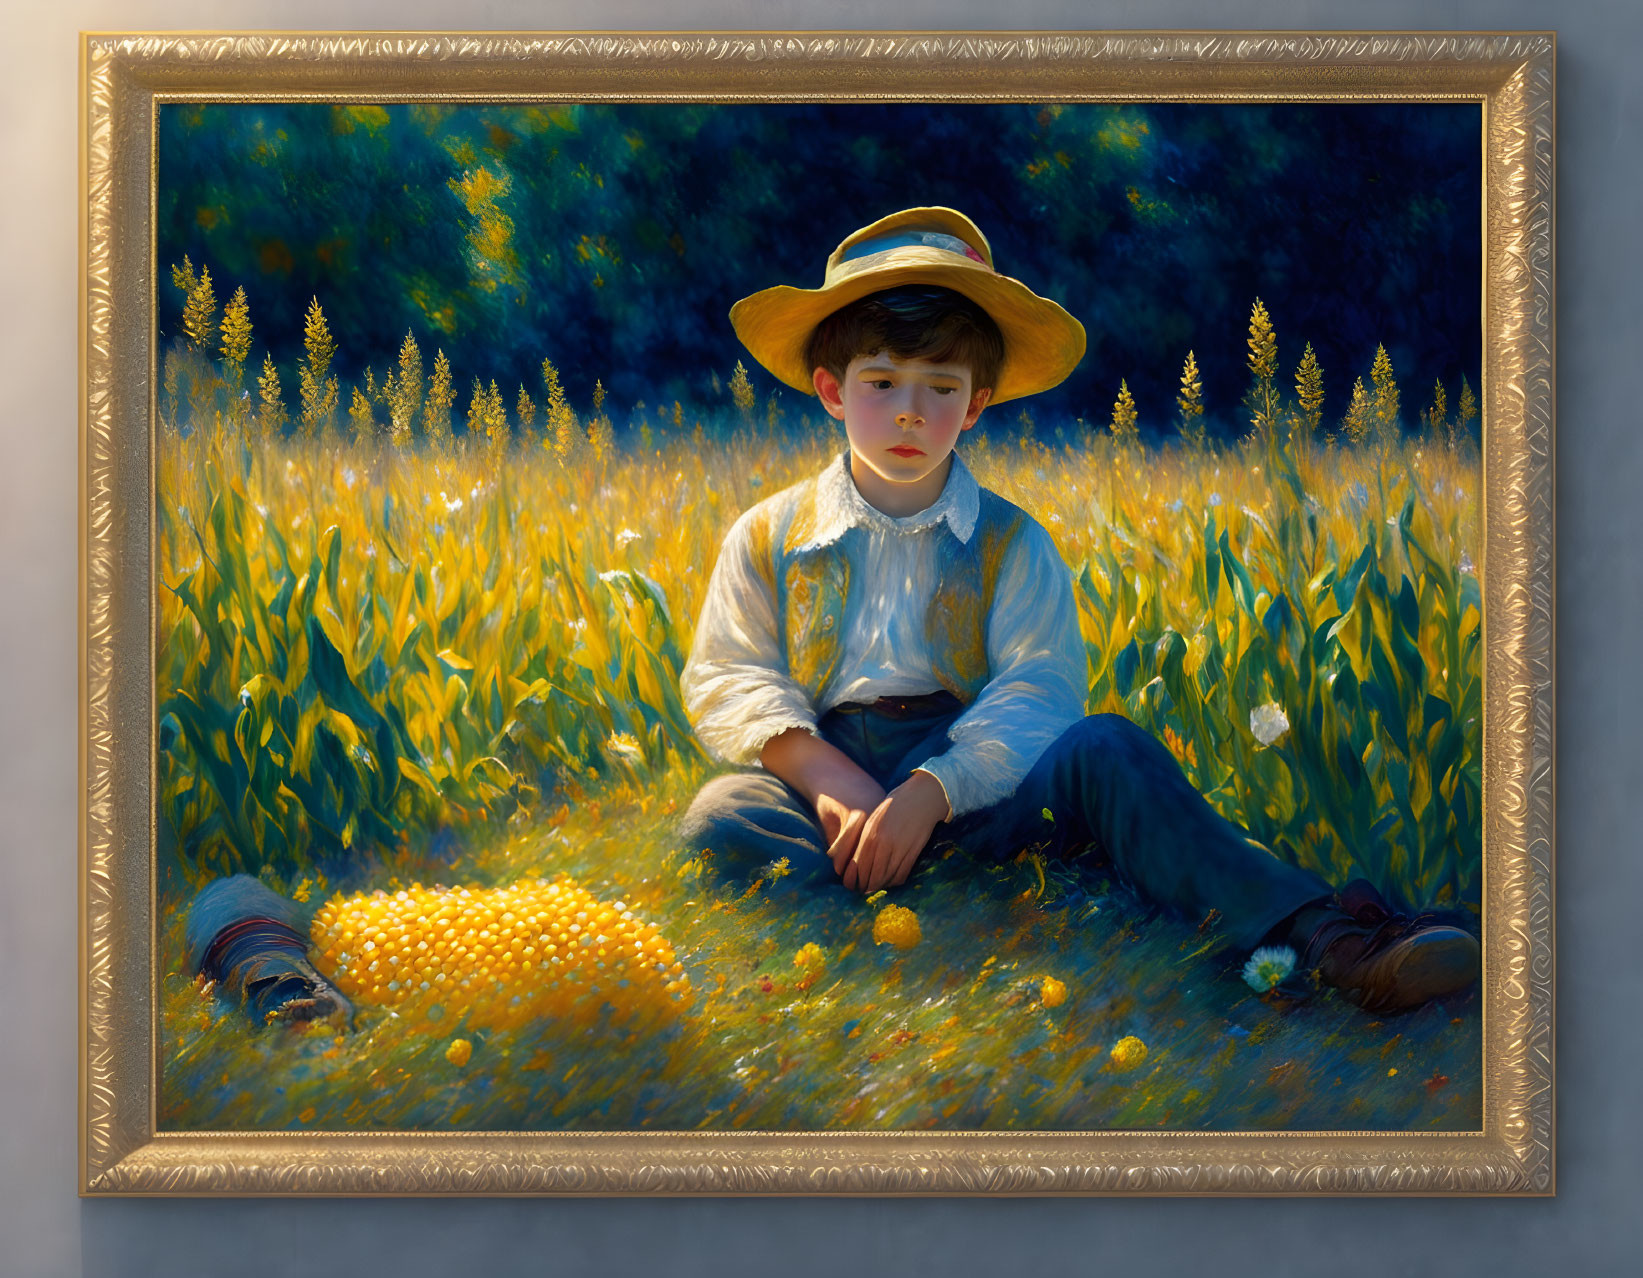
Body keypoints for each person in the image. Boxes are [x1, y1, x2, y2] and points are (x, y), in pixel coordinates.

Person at [676, 206, 1478, 1015]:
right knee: (723, 811)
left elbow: (1037, 689)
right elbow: (729, 672)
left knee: (1105, 745)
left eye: (940, 388)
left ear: (977, 404)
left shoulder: (1011, 542)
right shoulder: (771, 534)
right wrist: (828, 779)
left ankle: (1323, 940)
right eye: (881, 383)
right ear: (831, 391)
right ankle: (873, 920)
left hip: (972, 776)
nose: (910, 412)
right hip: (828, 778)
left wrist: (930, 790)